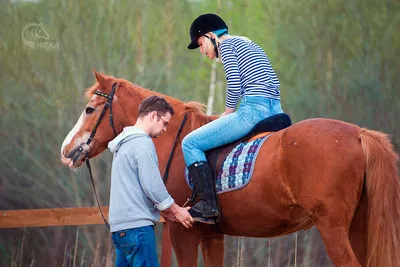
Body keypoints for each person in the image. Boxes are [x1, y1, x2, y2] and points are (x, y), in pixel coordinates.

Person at [182, 14, 284, 224]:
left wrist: (227, 112)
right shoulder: (247, 42)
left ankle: (208, 206)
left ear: (211, 36)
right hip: (275, 109)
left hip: (253, 110)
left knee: (190, 143)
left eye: (201, 44)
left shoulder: (227, 46)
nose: (202, 52)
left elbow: (235, 84)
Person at [108, 95, 194, 267]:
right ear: (154, 116)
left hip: (120, 229)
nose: (164, 129)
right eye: (165, 123)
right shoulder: (142, 143)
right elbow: (152, 186)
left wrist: (168, 212)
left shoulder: (124, 144)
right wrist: (177, 211)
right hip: (138, 228)